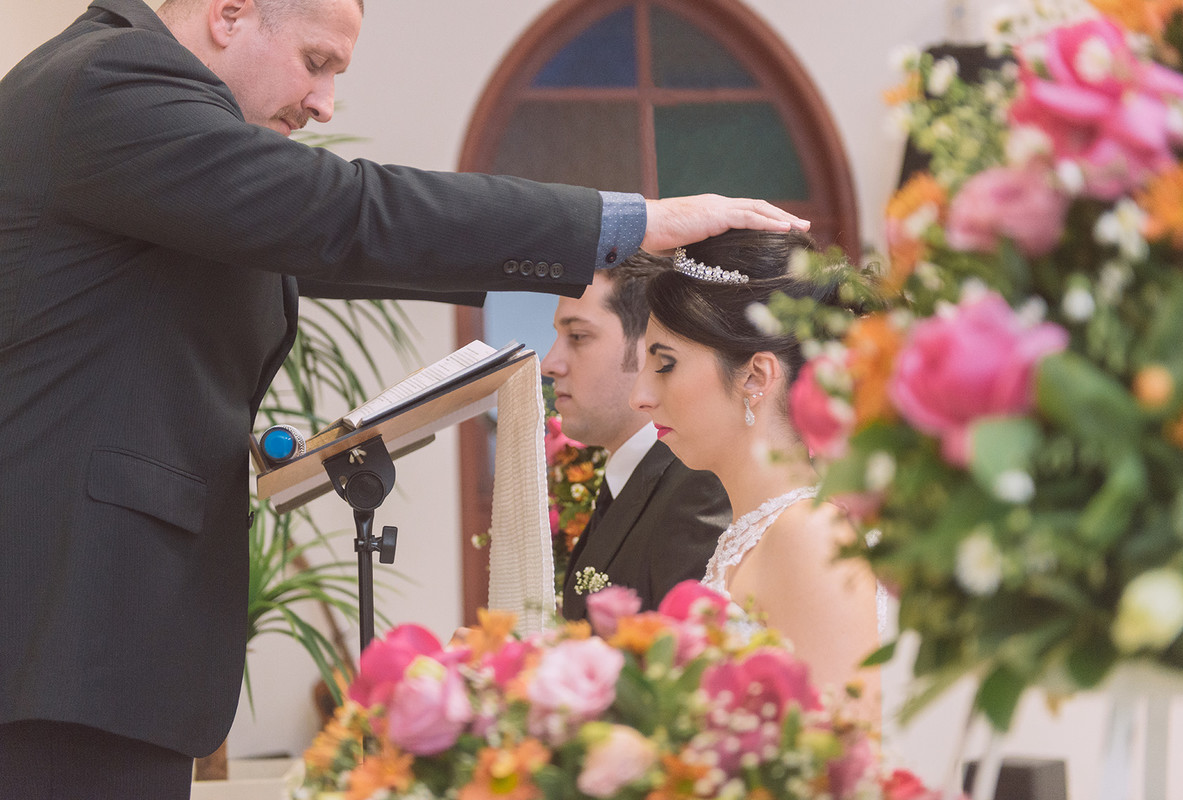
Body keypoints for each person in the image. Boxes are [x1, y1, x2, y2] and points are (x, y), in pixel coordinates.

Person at [0, 0, 809, 795]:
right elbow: (344, 213)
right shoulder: (113, 81)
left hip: (87, 642)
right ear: (231, 12)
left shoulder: (152, 147)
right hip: (65, 632)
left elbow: (338, 241)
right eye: (316, 62)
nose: (322, 103)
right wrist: (628, 223)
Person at [629, 229, 881, 702]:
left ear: (755, 376)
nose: (638, 396)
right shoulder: (751, 533)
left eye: (664, 365)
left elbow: (844, 761)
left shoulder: (808, 535)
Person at [542, 253, 731, 622]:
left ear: (652, 347)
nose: (550, 362)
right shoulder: (629, 479)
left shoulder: (699, 490)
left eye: (578, 336)